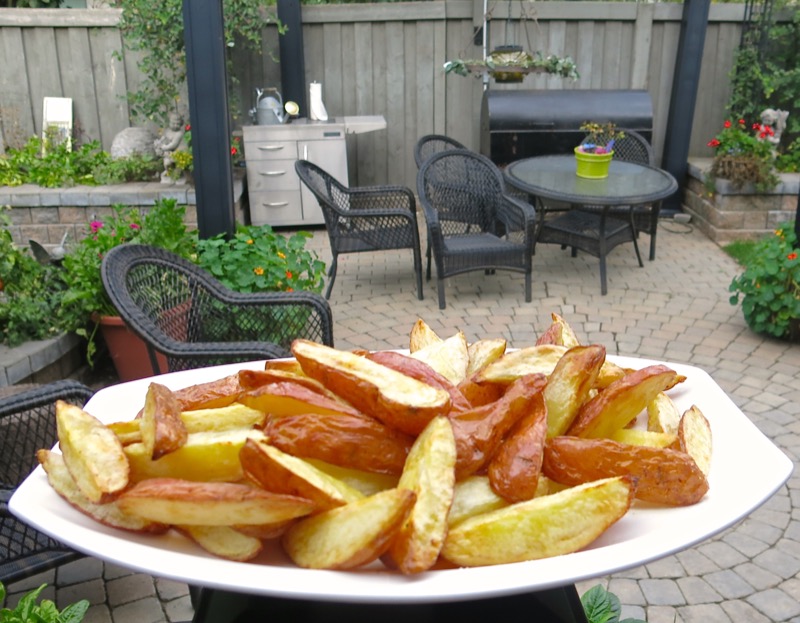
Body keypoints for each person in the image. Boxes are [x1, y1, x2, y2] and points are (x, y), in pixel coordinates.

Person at [154, 112, 187, 182]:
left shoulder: (179, 134)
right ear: (169, 123)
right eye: (173, 123)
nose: (175, 125)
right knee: (167, 163)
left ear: (181, 124)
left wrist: (164, 147)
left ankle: (178, 175)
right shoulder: (167, 131)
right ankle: (169, 172)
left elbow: (173, 145)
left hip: (179, 153)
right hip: (170, 153)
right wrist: (159, 143)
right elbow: (164, 138)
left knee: (172, 163)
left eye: (177, 124)